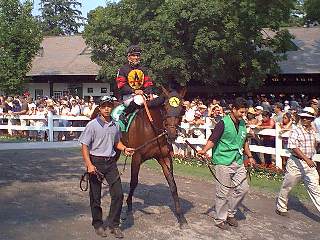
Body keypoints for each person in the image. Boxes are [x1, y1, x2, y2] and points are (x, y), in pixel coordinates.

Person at [79, 96, 135, 238]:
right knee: (96, 196)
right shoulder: (92, 125)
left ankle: (113, 224)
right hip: (96, 163)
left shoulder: (115, 125)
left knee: (118, 194)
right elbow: (84, 146)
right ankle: (97, 224)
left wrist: (124, 149)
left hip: (110, 163)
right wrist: (89, 165)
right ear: (99, 108)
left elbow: (117, 142)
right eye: (104, 106)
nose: (107, 109)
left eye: (109, 106)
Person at [197, 97, 255, 231]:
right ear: (233, 109)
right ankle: (220, 219)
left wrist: (250, 156)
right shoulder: (222, 123)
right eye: (241, 112)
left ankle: (230, 213)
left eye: (244, 112)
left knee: (243, 189)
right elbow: (213, 139)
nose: (243, 114)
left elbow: (244, 140)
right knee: (222, 192)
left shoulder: (242, 124)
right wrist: (204, 150)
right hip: (223, 161)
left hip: (238, 160)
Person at [276, 107, 320, 216]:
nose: (306, 120)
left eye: (308, 118)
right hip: (296, 163)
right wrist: (306, 159)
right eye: (304, 117)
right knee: (287, 186)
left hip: (309, 164)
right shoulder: (296, 130)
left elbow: (316, 143)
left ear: (312, 119)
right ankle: (281, 207)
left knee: (316, 189)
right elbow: (293, 147)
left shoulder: (313, 131)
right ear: (301, 118)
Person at [115, 45, 154, 124]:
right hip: (128, 96)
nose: (136, 57)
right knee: (139, 100)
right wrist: (134, 91)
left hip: (142, 95)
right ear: (128, 57)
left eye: (137, 55)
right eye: (133, 55)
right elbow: (121, 86)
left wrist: (150, 93)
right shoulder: (123, 70)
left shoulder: (143, 69)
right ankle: (124, 114)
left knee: (158, 100)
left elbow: (147, 83)